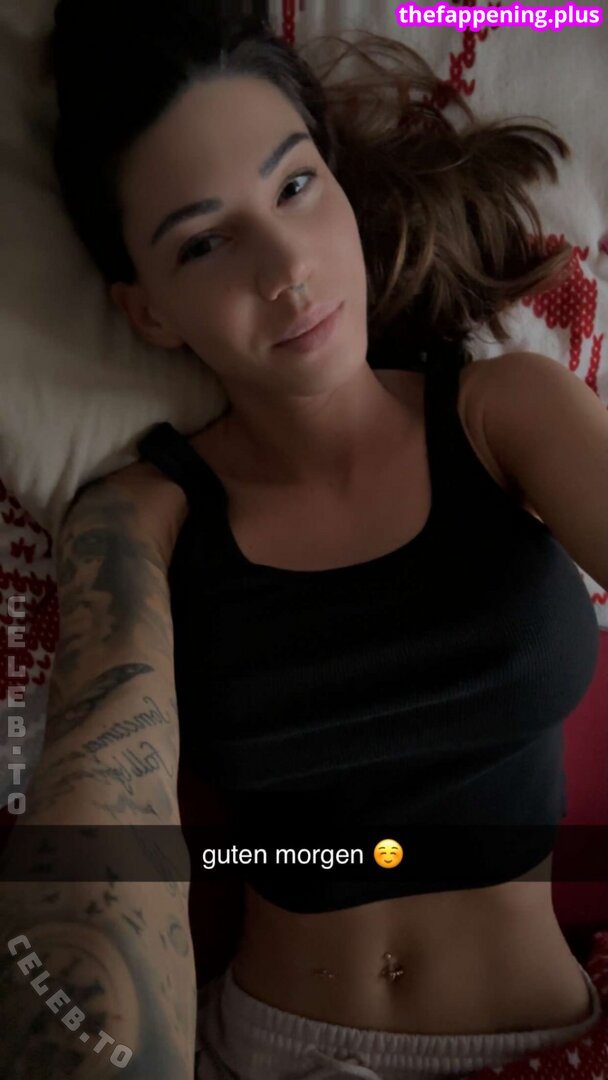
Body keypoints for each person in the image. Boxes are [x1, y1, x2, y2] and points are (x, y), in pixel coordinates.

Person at [40, 1, 606, 1077]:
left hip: (547, 1049)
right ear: (148, 310)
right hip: (269, 1054)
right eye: (203, 242)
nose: (285, 268)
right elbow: (101, 802)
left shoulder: (505, 414)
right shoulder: (142, 514)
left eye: (295, 185)